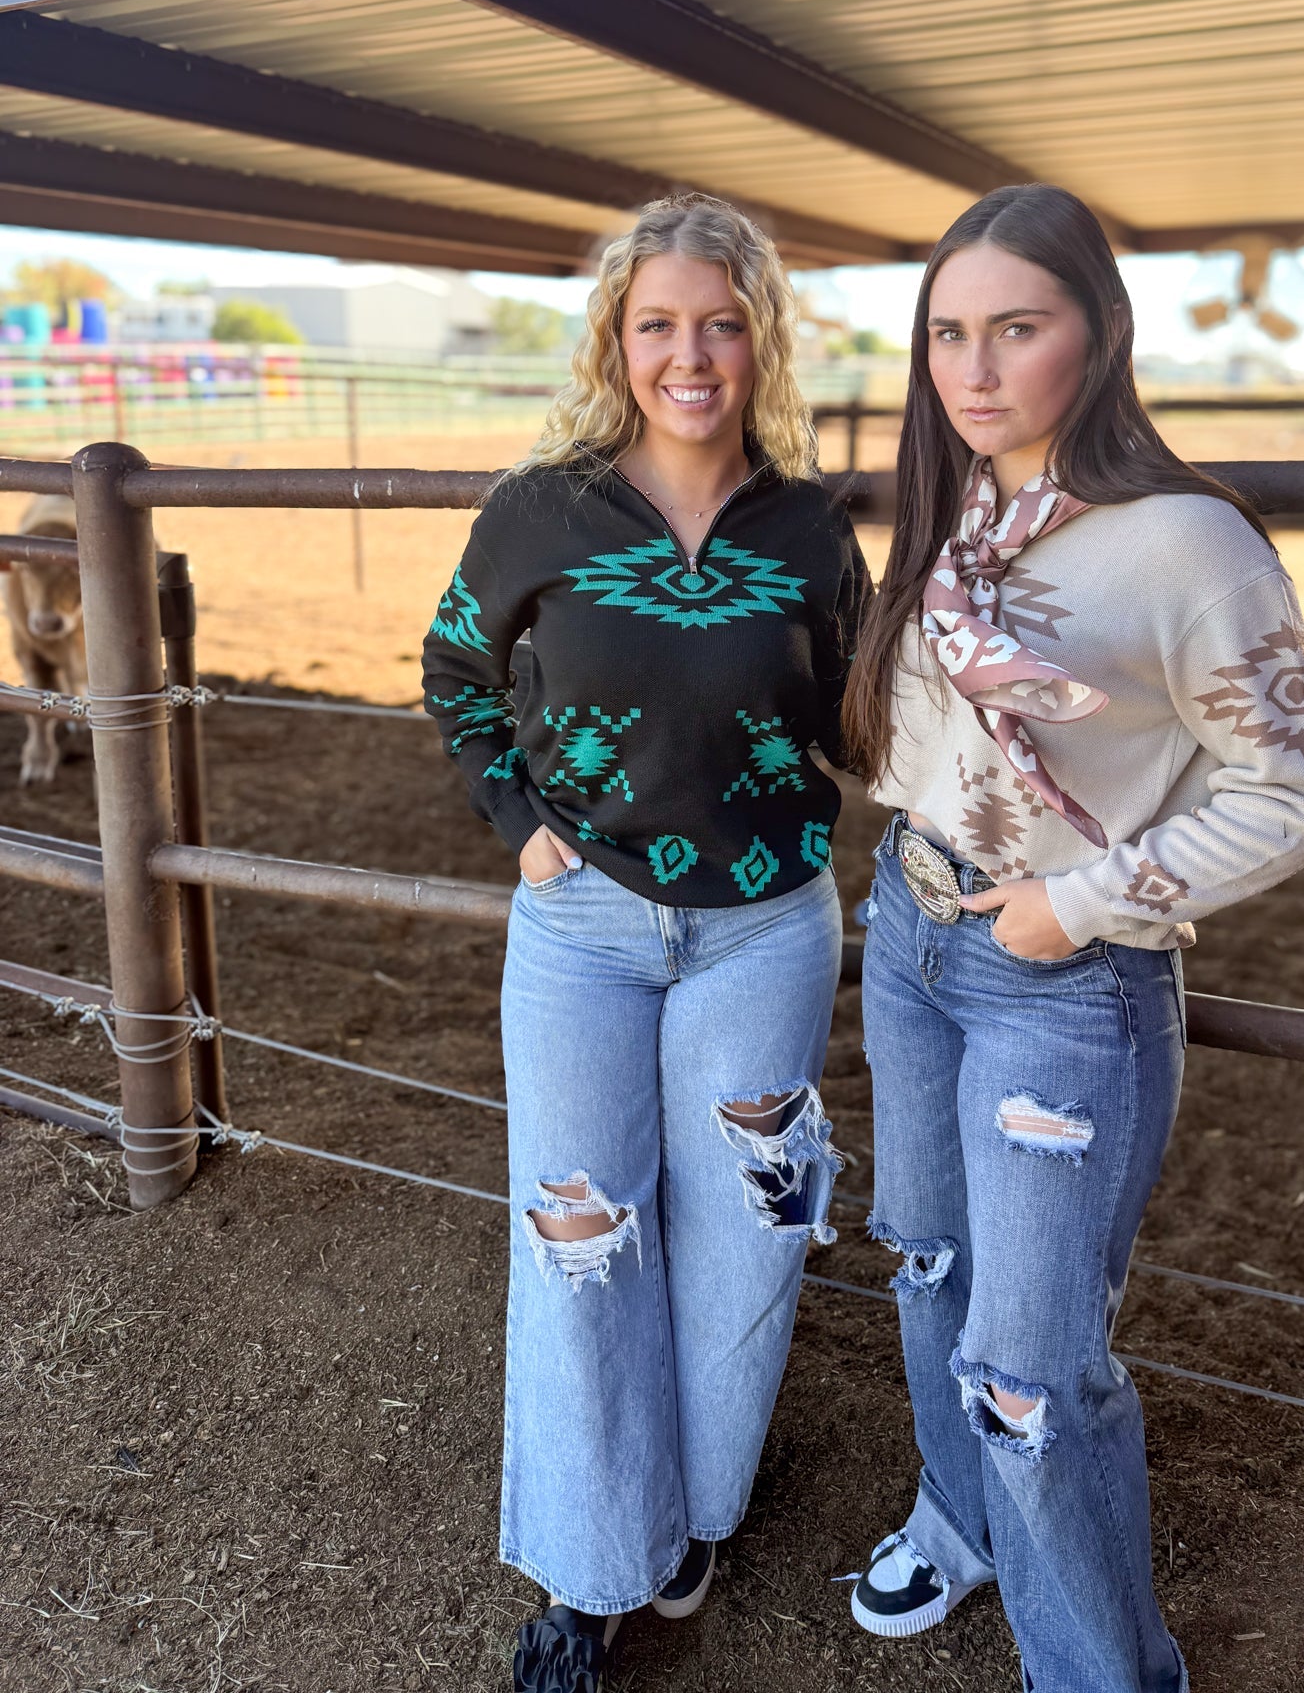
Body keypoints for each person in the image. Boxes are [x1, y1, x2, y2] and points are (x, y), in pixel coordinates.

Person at [839, 184, 1304, 1691]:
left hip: (1060, 981)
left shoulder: (1186, 545)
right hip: (915, 932)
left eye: (1018, 328)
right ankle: (960, 1518)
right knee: (926, 1263)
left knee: (1032, 1372)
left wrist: (1081, 904)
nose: (974, 368)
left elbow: (1302, 787)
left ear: (1101, 334)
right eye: (948, 334)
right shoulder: (957, 506)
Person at [421, 194, 868, 1693]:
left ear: (761, 341)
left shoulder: (810, 526)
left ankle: (689, 1520)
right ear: (618, 339)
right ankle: (589, 1571)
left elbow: (864, 715)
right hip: (585, 927)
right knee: (582, 1231)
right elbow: (455, 669)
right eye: (660, 323)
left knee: (746, 1229)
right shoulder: (539, 510)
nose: (692, 355)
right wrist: (516, 817)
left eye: (723, 324)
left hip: (766, 929)